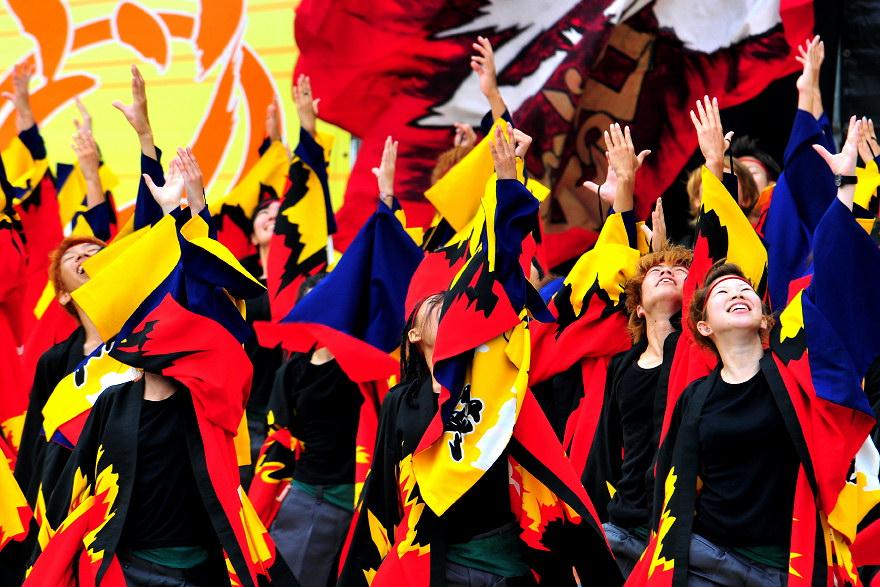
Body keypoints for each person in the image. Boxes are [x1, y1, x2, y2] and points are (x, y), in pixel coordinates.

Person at [631, 115, 880, 586]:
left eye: (744, 288)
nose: (737, 292)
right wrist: (713, 169)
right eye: (722, 292)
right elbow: (671, 487)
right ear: (703, 325)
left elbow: (834, 277)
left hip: (786, 566)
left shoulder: (793, 366)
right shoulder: (694, 396)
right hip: (706, 562)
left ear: (766, 317)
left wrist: (845, 187)